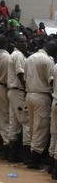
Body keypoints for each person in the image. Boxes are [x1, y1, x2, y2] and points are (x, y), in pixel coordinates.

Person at [24, 40, 57, 170]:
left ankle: (31, 154)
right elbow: (51, 81)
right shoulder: (47, 61)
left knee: (32, 125)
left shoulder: (30, 58)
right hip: (42, 96)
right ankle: (35, 159)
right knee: (41, 127)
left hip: (29, 94)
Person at [7, 34, 29, 162]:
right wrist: (27, 88)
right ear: (16, 43)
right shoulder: (18, 55)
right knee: (25, 122)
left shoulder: (15, 55)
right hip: (18, 91)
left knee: (14, 122)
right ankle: (26, 155)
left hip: (13, 91)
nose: (25, 43)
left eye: (26, 41)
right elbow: (20, 73)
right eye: (22, 41)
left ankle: (12, 155)